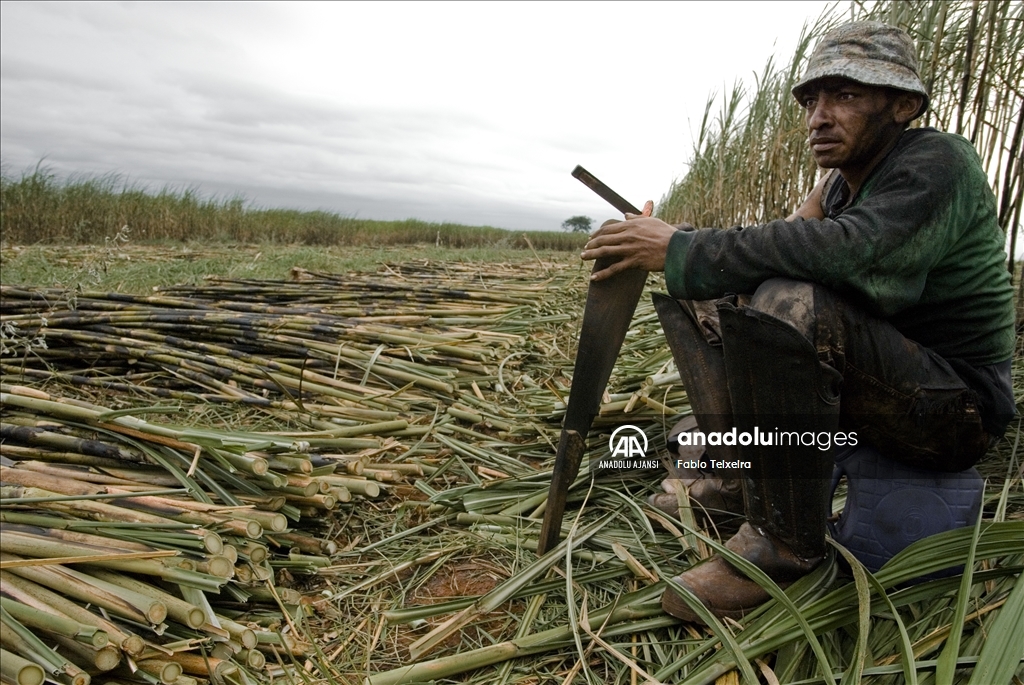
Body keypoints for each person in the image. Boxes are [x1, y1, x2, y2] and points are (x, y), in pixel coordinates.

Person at [581, 20, 1015, 623]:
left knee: (786, 301)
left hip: (956, 410)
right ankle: (737, 478)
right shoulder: (840, 184)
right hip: (884, 383)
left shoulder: (937, 164)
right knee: (708, 294)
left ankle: (784, 544)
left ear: (903, 105)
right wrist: (667, 244)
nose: (819, 116)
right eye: (812, 99)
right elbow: (778, 244)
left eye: (846, 96)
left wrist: (685, 246)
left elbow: (844, 251)